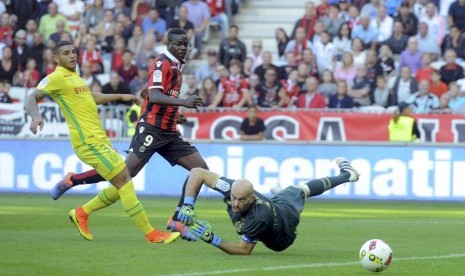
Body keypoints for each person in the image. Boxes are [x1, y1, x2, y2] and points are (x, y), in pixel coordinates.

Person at [50, 29, 208, 241]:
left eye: (185, 44)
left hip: (169, 132)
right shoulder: (162, 63)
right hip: (151, 130)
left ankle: (177, 219)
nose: (182, 48)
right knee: (124, 175)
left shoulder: (178, 66)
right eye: (178, 44)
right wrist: (183, 103)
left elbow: (145, 93)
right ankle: (77, 189)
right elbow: (153, 94)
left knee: (200, 169)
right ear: (167, 44)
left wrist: (174, 113)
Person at [24, 40, 179, 244]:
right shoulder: (55, 78)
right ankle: (151, 233)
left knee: (121, 184)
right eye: (66, 53)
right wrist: (36, 117)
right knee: (124, 181)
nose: (72, 55)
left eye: (73, 52)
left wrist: (122, 96)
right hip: (88, 142)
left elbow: (91, 97)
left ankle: (82, 213)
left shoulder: (75, 78)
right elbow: (31, 97)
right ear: (56, 58)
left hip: (100, 140)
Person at [175, 157, 359, 255]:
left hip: (283, 232)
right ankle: (282, 194)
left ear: (252, 198)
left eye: (241, 200)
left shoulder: (258, 217)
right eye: (233, 198)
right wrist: (188, 205)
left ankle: (348, 175)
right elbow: (198, 172)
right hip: (275, 207)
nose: (235, 203)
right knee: (295, 191)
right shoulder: (233, 189)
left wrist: (212, 239)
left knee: (300, 190)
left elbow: (243, 250)